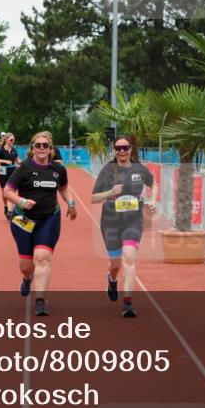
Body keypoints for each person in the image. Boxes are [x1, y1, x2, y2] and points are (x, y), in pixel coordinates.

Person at [3, 131, 78, 317]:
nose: (42, 148)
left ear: (51, 149)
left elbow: (64, 188)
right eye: (38, 145)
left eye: (46, 145)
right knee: (26, 265)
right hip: (23, 219)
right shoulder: (23, 168)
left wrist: (71, 203)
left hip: (49, 218)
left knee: (42, 257)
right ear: (32, 148)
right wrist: (21, 202)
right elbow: (7, 191)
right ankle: (27, 278)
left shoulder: (58, 169)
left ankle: (40, 301)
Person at [90, 135, 157, 317]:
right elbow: (93, 198)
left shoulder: (139, 168)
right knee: (116, 263)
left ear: (130, 149)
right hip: (111, 222)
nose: (122, 151)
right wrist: (110, 192)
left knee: (129, 257)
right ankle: (112, 278)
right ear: (114, 150)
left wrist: (152, 200)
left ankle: (127, 302)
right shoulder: (107, 170)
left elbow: (153, 183)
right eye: (118, 148)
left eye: (125, 148)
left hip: (133, 220)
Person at [0, 133, 20, 219]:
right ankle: (6, 206)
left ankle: (10, 211)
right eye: (11, 140)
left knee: (11, 192)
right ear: (6, 140)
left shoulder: (14, 150)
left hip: (13, 172)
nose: (13, 141)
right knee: (4, 193)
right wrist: (5, 161)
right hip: (3, 172)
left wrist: (25, 164)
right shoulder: (1, 150)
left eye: (14, 139)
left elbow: (18, 160)